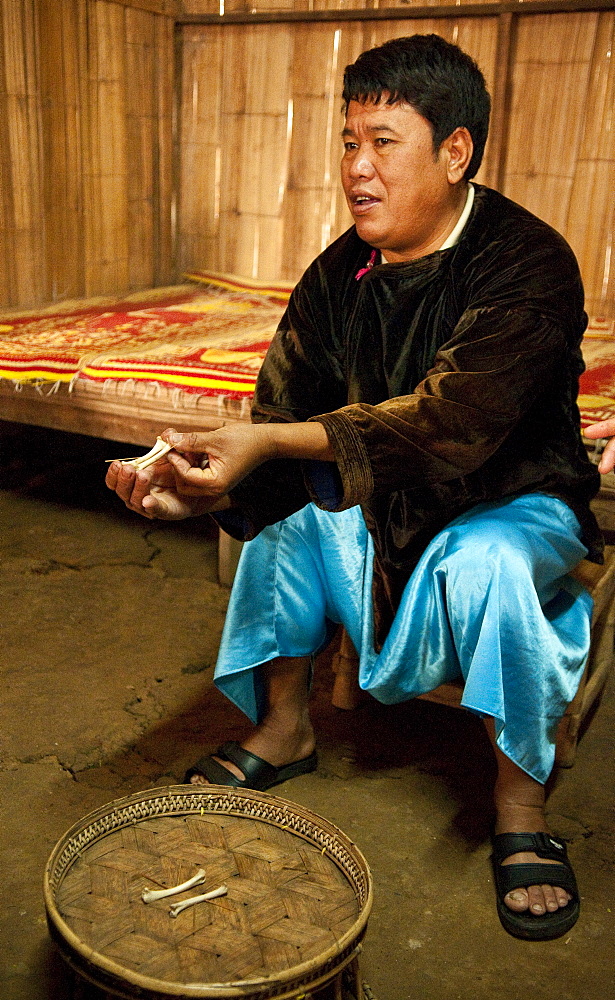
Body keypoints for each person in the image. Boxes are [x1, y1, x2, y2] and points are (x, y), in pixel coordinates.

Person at [107, 35, 603, 941]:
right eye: (346, 142)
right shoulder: (340, 274)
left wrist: (265, 441)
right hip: (390, 502)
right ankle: (285, 729)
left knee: (487, 558)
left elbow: (452, 424)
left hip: (515, 501)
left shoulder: (527, 262)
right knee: (291, 518)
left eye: (383, 142)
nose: (356, 168)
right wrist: (195, 498)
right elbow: (283, 413)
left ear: (454, 152)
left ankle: (519, 805)